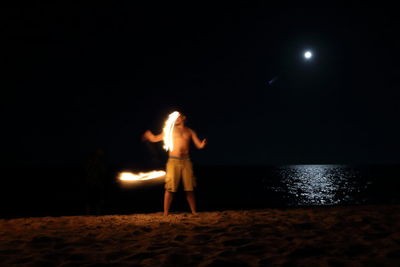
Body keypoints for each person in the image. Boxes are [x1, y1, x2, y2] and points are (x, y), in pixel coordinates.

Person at [143, 113, 207, 216]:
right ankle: (166, 213)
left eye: (178, 116)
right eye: (175, 117)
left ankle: (194, 212)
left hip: (186, 161)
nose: (176, 118)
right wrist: (149, 136)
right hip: (173, 161)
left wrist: (202, 144)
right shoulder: (170, 130)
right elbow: (156, 138)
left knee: (189, 188)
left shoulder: (190, 131)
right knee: (170, 187)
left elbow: (198, 145)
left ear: (183, 118)